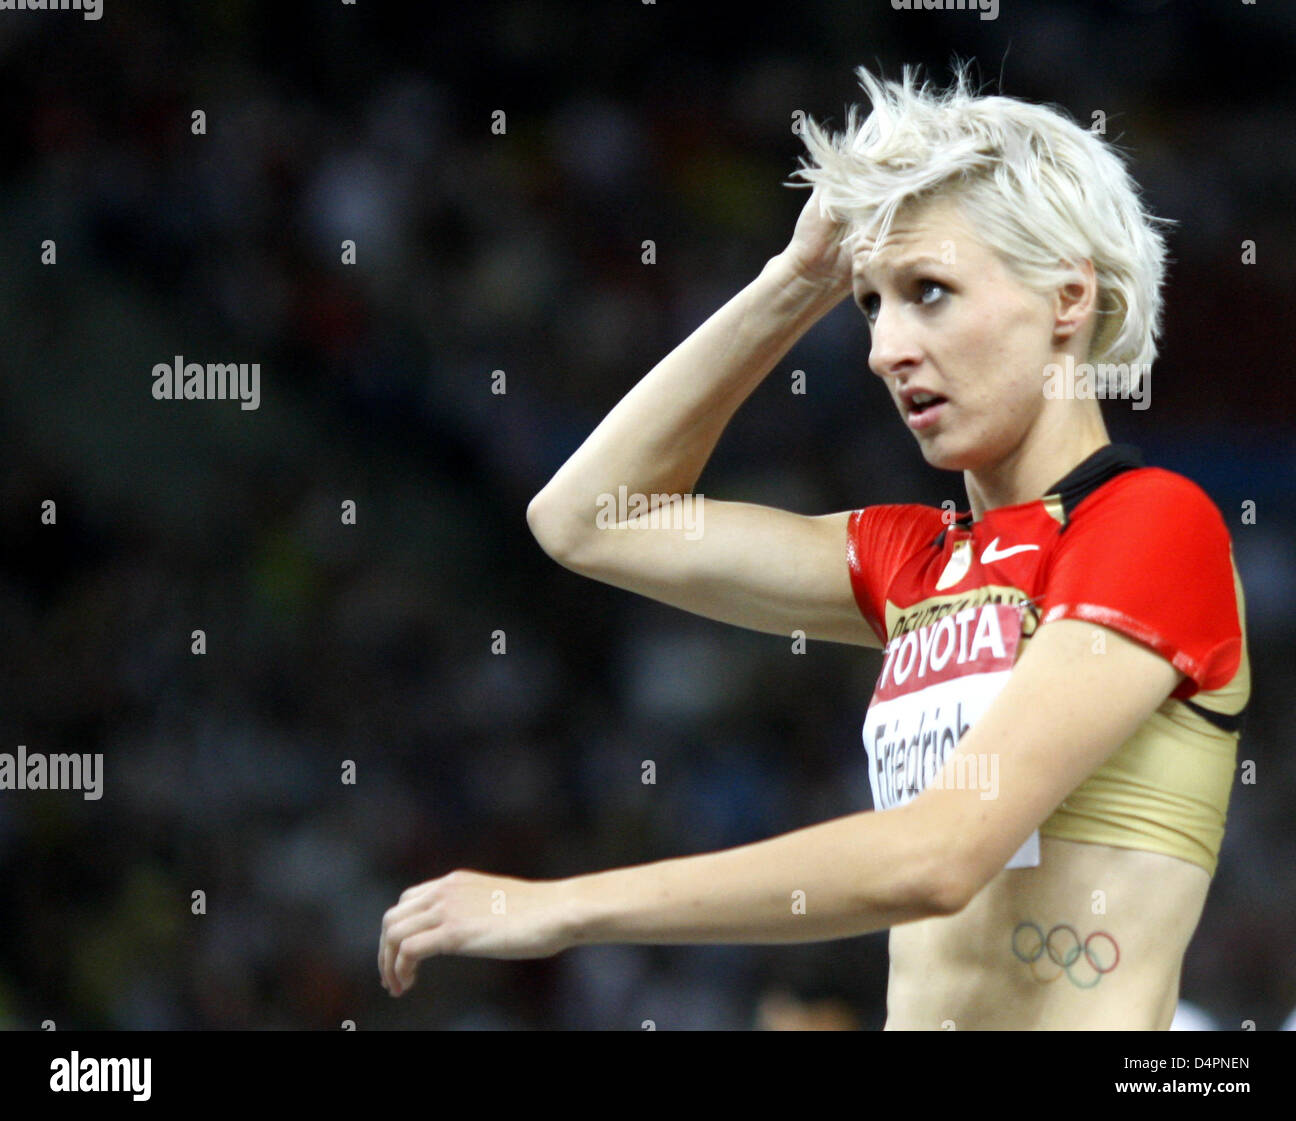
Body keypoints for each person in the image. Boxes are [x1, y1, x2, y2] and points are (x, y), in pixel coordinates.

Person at [379, 63, 1249, 1029]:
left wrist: (562, 904)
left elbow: (938, 855)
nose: (885, 348)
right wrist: (794, 282)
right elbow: (584, 519)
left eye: (930, 291)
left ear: (1067, 300)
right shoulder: (913, 560)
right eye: (871, 303)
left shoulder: (1151, 522)